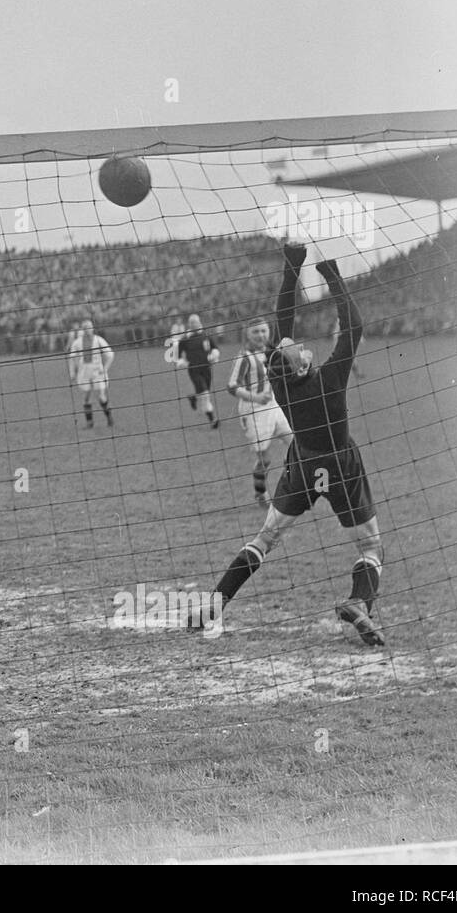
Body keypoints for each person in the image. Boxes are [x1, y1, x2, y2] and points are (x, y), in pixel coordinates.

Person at [198, 243, 385, 646]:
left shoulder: (281, 381)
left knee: (265, 539)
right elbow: (353, 328)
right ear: (302, 363)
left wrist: (291, 269)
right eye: (295, 347)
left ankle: (214, 603)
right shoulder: (330, 378)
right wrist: (333, 277)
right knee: (370, 544)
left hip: (302, 464)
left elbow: (283, 320)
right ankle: (359, 601)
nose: (295, 342)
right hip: (340, 464)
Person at [228, 317, 292, 505]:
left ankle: (291, 487)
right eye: (255, 331)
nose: (260, 335)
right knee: (264, 459)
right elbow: (232, 386)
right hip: (254, 411)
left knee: (296, 446)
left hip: (275, 407)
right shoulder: (244, 357)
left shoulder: (274, 352)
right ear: (247, 334)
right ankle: (260, 493)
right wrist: (255, 397)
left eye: (263, 331)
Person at [67, 318, 115, 427]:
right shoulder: (77, 342)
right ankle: (89, 423)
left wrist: (105, 368)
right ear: (82, 330)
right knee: (86, 396)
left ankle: (109, 418)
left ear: (92, 328)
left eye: (89, 327)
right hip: (84, 371)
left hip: (97, 372)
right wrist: (72, 372)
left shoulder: (98, 340)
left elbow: (110, 354)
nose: (88, 329)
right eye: (85, 328)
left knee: (101, 396)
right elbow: (72, 357)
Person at [177, 313, 220, 428]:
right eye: (191, 322)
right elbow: (178, 356)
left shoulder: (206, 335)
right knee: (205, 394)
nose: (193, 324)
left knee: (205, 392)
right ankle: (213, 420)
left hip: (207, 369)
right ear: (189, 324)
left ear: (199, 322)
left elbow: (215, 348)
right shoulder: (185, 339)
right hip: (193, 370)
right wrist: (183, 362)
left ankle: (194, 397)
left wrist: (214, 355)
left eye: (195, 322)